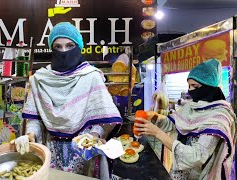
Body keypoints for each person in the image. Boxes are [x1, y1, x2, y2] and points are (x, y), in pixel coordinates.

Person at [15, 22, 123, 178]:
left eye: (70, 45)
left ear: (79, 46)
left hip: (85, 153)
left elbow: (103, 119)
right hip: (51, 151)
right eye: (58, 47)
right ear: (51, 48)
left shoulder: (91, 77)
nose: (64, 51)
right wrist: (30, 134)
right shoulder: (40, 80)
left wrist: (93, 135)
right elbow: (35, 119)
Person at [134, 59, 236, 179]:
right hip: (182, 173)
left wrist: (157, 132)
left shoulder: (219, 118)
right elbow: (177, 125)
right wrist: (156, 117)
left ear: (210, 86)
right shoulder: (191, 107)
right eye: (189, 86)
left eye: (195, 86)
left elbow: (196, 157)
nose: (191, 90)